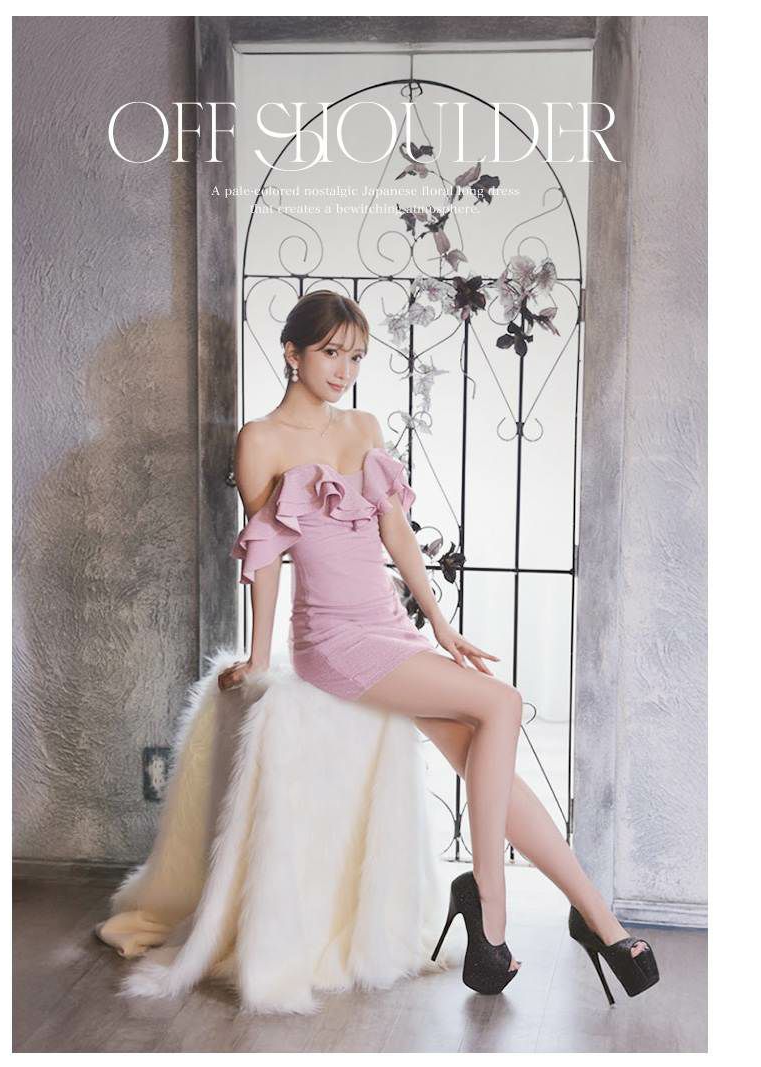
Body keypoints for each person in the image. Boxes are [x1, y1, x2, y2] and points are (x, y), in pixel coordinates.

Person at [219, 290, 659, 1000]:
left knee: (484, 755)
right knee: (502, 702)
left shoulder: (362, 426)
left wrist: (440, 624)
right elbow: (264, 553)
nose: (344, 370)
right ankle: (491, 910)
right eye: (331, 353)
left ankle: (597, 919)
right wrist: (258, 652)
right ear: (292, 352)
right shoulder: (260, 441)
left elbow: (396, 534)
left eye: (356, 356)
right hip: (331, 639)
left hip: (387, 628)